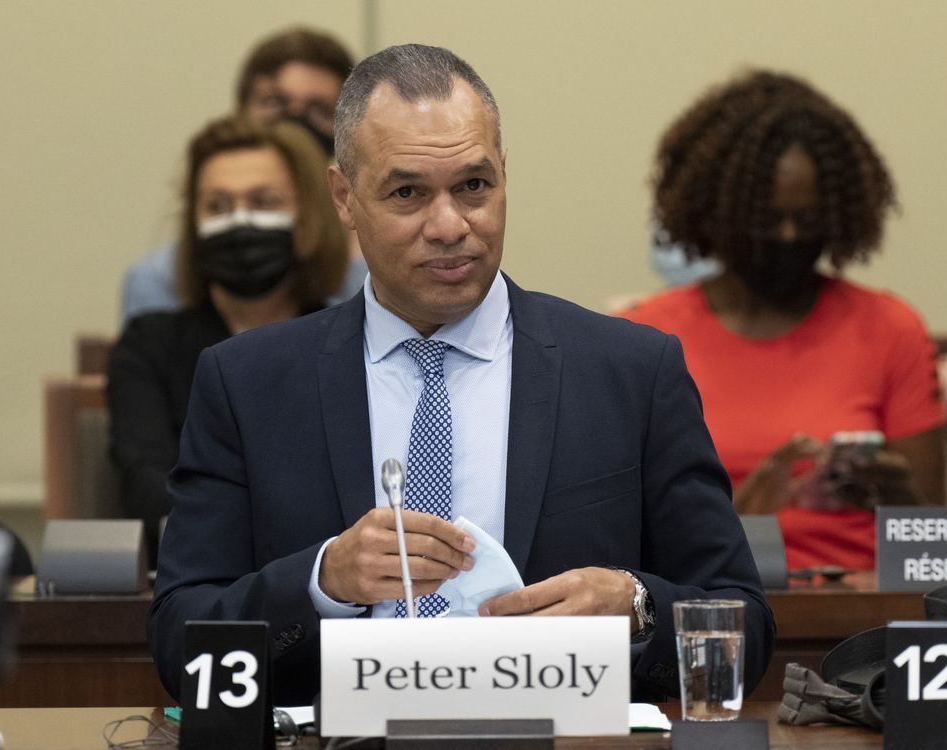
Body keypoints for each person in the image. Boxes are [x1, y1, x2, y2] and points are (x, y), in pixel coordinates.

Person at [149, 44, 774, 706]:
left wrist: (639, 606)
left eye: (473, 186)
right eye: (408, 192)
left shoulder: (630, 373)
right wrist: (320, 582)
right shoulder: (247, 384)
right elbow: (179, 645)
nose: (449, 226)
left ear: (504, 176)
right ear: (344, 197)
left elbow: (746, 626)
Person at [622, 70, 945, 571]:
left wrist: (898, 498)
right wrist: (740, 519)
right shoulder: (645, 338)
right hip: (714, 616)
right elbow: (627, 551)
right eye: (768, 220)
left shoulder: (889, 330)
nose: (790, 237)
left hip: (862, 627)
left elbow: (930, 563)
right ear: (717, 212)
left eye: (810, 220)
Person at [108, 116, 347, 565]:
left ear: (307, 219)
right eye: (217, 206)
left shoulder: (352, 340)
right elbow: (146, 488)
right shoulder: (149, 345)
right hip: (195, 588)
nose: (240, 221)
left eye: (264, 201)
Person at [120, 26, 365, 323]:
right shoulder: (159, 279)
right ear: (240, 112)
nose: (294, 122)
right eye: (275, 103)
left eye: (319, 109)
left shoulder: (373, 275)